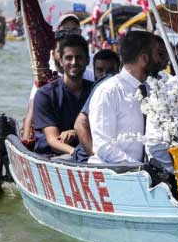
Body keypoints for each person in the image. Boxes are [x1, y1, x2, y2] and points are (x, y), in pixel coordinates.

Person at [88, 31, 166, 164]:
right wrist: (140, 168)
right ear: (144, 59)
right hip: (114, 178)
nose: (160, 60)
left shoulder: (151, 88)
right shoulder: (109, 91)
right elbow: (103, 146)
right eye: (157, 54)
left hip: (144, 176)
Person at [32, 34, 94, 157]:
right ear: (60, 61)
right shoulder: (45, 95)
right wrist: (77, 153)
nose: (74, 62)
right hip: (54, 156)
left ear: (87, 60)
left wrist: (76, 133)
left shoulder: (97, 91)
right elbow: (53, 141)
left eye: (79, 57)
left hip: (89, 151)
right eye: (69, 58)